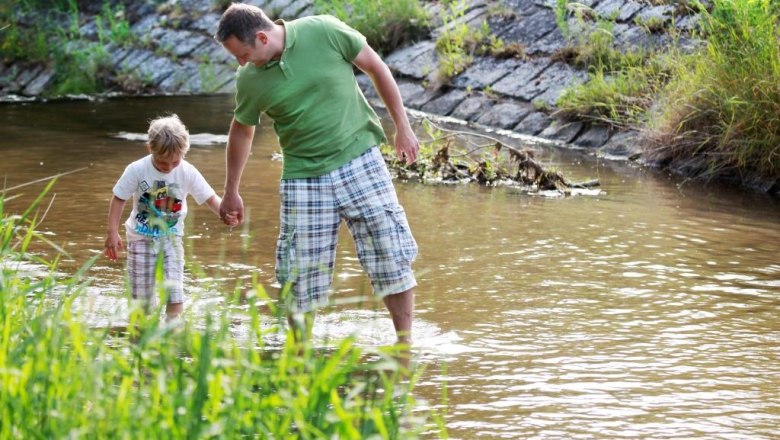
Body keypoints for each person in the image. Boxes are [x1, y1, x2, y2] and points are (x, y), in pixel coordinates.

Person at [214, 4, 420, 349]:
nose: (241, 64)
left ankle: (405, 346)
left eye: (244, 54)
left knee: (390, 255)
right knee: (299, 273)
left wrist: (403, 126)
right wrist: (230, 190)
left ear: (262, 37)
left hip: (360, 158)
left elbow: (375, 67)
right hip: (303, 178)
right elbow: (242, 130)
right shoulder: (250, 79)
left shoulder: (324, 30)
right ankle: (298, 355)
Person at [104, 114, 236, 321]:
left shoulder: (187, 171)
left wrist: (224, 212)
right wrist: (112, 233)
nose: (169, 167)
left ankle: (172, 334)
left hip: (172, 238)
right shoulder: (137, 170)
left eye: (175, 162)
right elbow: (118, 198)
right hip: (140, 238)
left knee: (175, 293)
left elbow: (209, 198)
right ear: (150, 148)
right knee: (142, 302)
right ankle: (142, 336)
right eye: (162, 162)